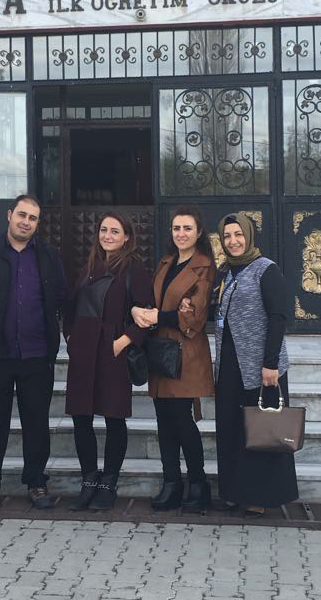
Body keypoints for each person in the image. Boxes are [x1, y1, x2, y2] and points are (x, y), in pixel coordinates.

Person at [0, 195, 67, 509]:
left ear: (37, 223)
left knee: (36, 423)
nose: (26, 222)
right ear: (9, 215)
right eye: (22, 215)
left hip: (37, 354)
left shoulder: (48, 254)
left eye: (33, 218)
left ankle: (36, 483)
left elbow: (61, 296)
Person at [63, 212, 155, 511]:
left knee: (114, 418)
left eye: (115, 231)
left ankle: (109, 482)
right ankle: (89, 479)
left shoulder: (134, 269)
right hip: (83, 351)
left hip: (112, 351)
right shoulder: (89, 265)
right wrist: (70, 337)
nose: (108, 236)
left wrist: (122, 342)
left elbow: (146, 315)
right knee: (81, 417)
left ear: (127, 236)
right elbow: (72, 306)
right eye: (104, 230)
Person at [209, 212, 297, 516]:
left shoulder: (265, 269)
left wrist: (270, 363)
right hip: (229, 365)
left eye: (238, 235)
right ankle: (235, 493)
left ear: (248, 236)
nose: (233, 241)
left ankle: (260, 497)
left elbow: (278, 317)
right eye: (227, 236)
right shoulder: (225, 272)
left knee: (261, 432)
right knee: (232, 430)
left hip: (261, 367)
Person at [132, 205, 215, 513]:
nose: (181, 233)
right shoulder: (166, 262)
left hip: (185, 353)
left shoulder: (204, 266)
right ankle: (171, 483)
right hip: (159, 350)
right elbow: (157, 302)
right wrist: (145, 312)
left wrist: (161, 316)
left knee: (182, 421)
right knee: (164, 421)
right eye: (177, 228)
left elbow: (195, 314)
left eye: (187, 228)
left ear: (199, 232)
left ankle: (198, 484)